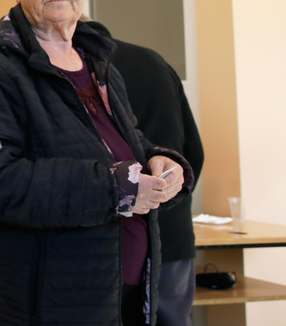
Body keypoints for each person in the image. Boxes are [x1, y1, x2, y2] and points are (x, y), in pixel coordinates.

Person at [0, 0, 193, 326]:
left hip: (115, 291)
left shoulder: (98, 64)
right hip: (38, 302)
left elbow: (122, 143)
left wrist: (160, 160)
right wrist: (117, 188)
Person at [85, 20, 204, 326]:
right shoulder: (154, 61)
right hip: (172, 229)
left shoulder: (85, 70)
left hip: (119, 235)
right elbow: (195, 151)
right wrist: (171, 194)